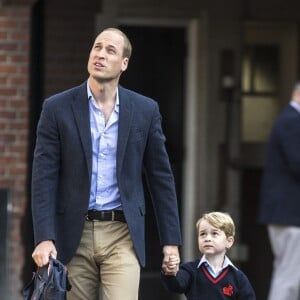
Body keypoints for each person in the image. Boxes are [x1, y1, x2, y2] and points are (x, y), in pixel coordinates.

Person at [31, 27, 181, 300]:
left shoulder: (145, 110)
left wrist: (171, 241)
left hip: (122, 233)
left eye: (110, 50)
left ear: (124, 63)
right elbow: (44, 178)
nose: (100, 54)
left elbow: (161, 178)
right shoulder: (57, 108)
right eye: (97, 47)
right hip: (73, 235)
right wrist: (44, 236)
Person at [259, 83, 300, 300]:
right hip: (290, 214)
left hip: (286, 214)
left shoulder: (289, 119)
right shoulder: (292, 121)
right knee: (289, 278)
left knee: (288, 274)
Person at [162, 211, 256, 299]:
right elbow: (176, 286)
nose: (207, 238)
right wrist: (170, 272)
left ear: (229, 241)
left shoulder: (238, 278)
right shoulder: (190, 270)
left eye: (214, 233)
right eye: (202, 234)